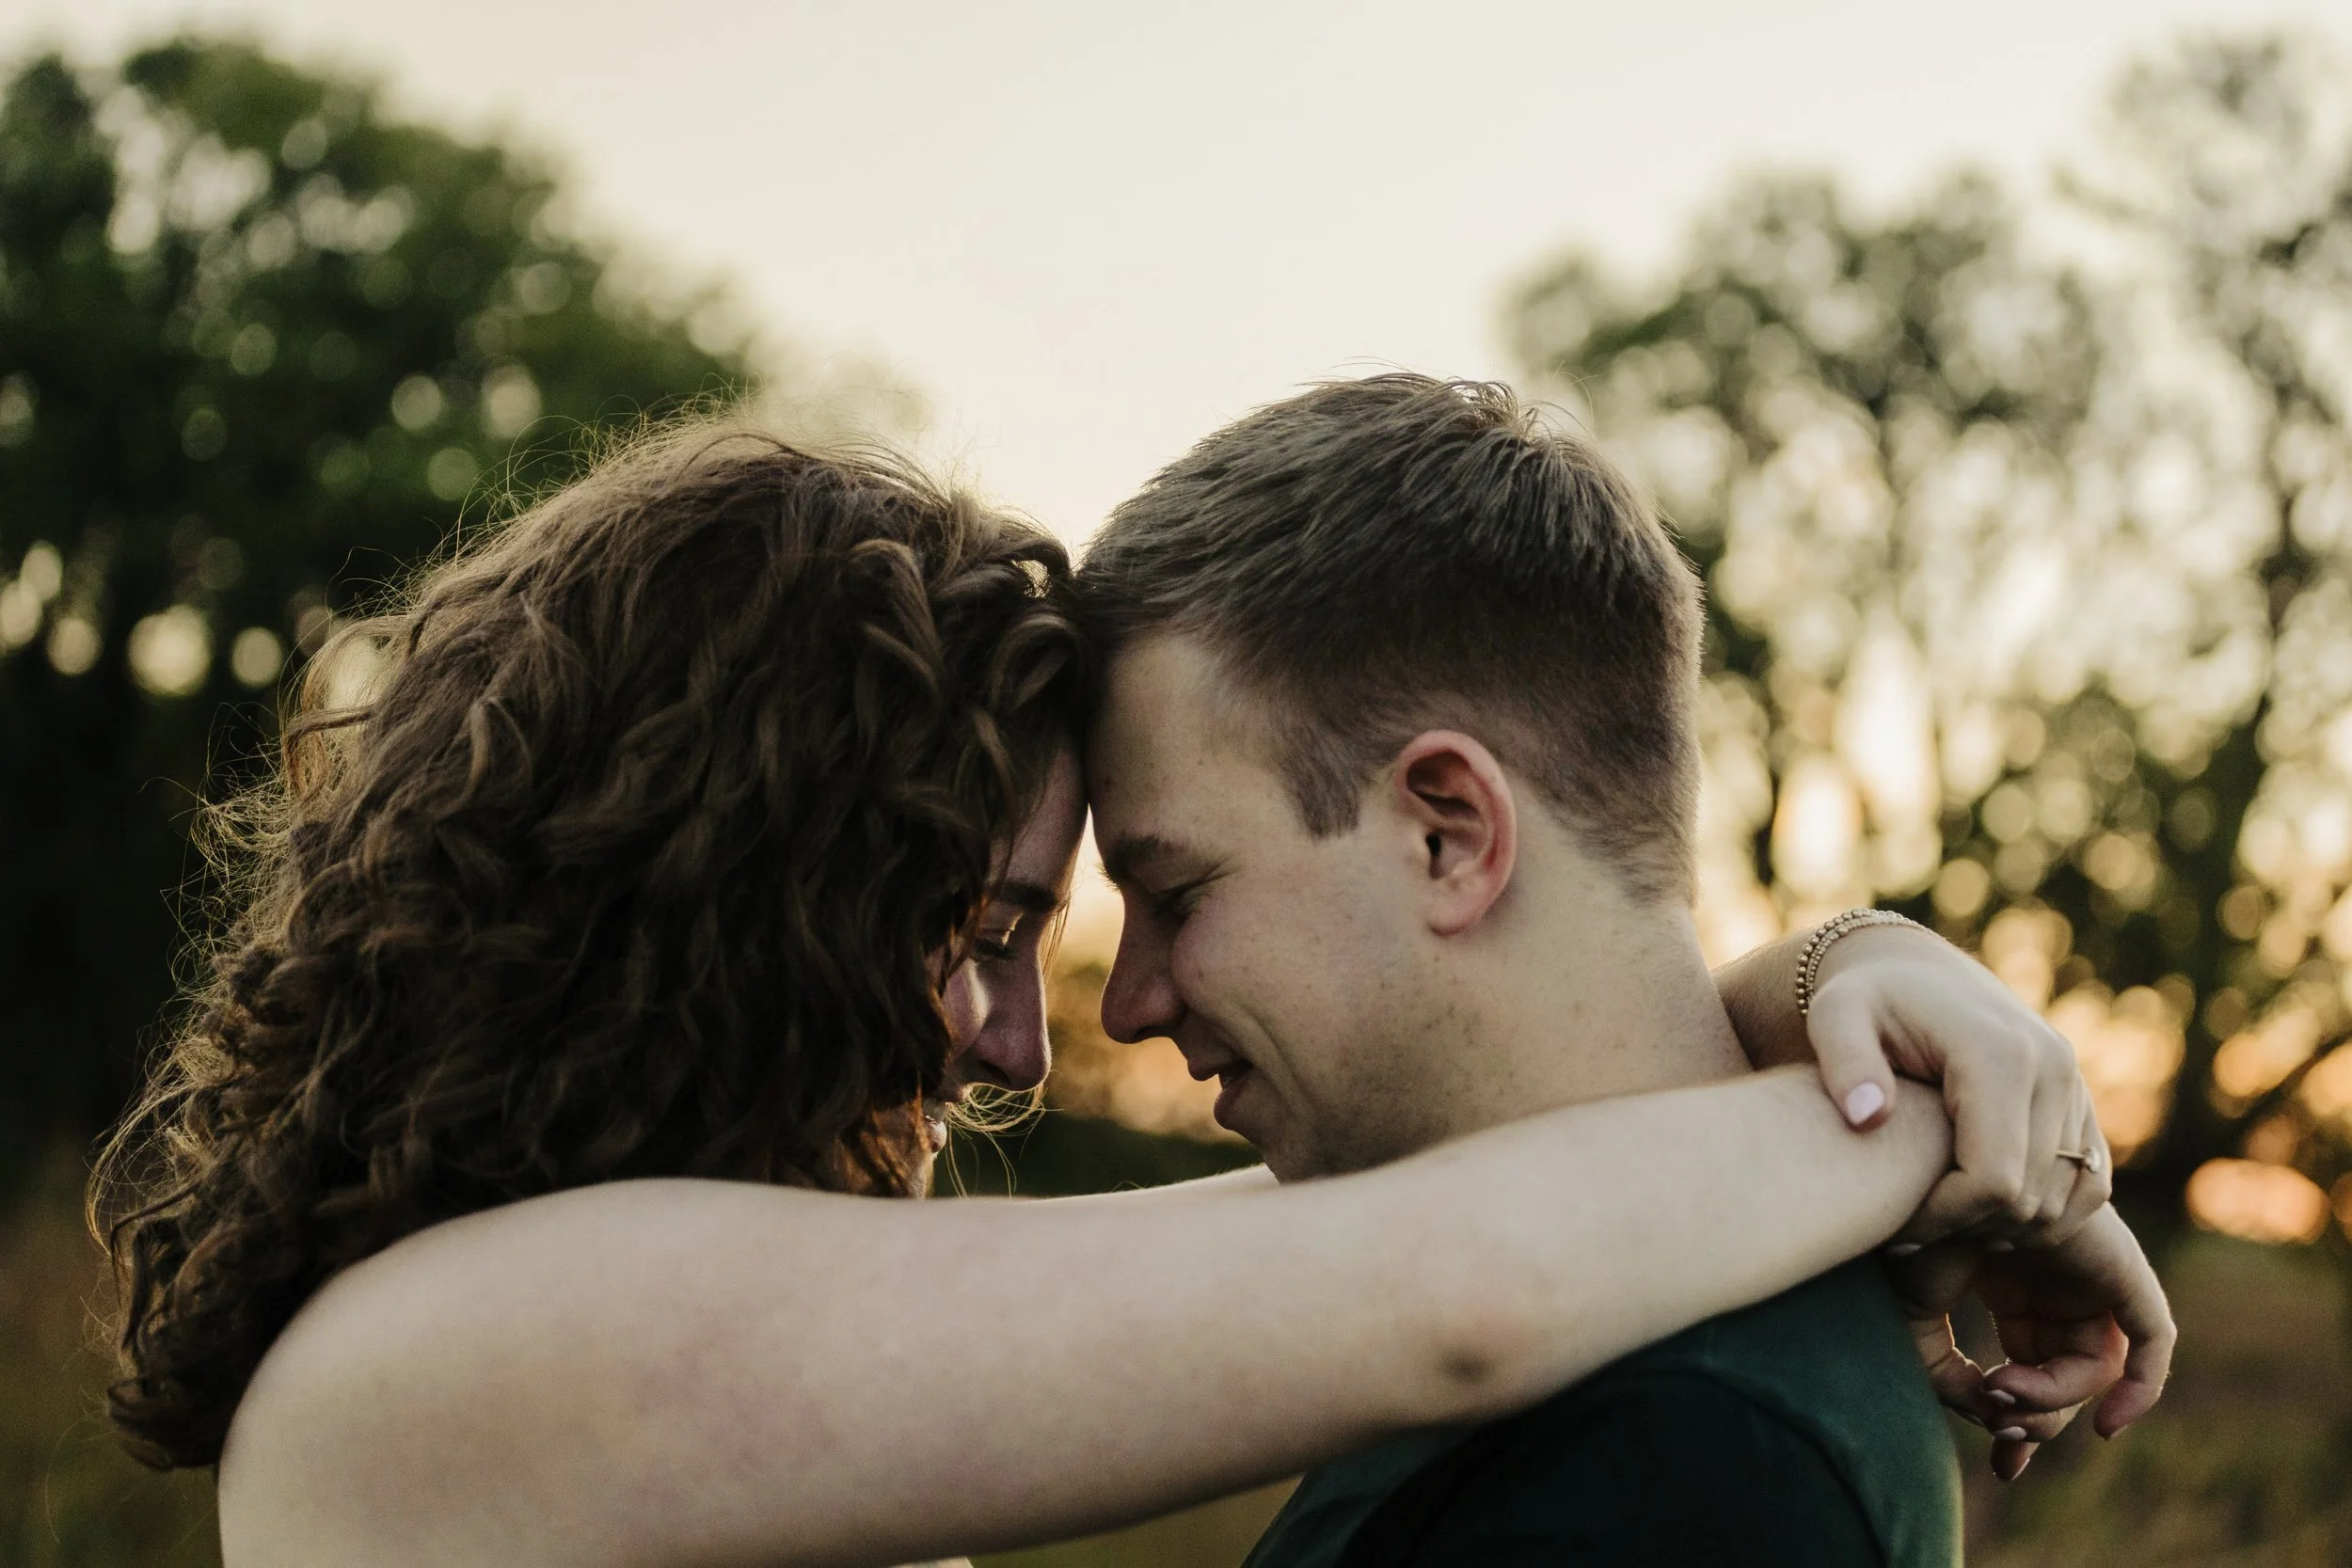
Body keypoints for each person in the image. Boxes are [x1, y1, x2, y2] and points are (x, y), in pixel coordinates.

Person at [88, 420, 2169, 1568]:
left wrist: (1845, 972)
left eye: (1118, 900)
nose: (1025, 1030)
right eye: (985, 924)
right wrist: (1926, 1101)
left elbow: (1431, 1220)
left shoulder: (593, 1307)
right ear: (740, 897)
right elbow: (1442, 1283)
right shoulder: (460, 1349)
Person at [1073, 372, 2151, 1568]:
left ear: (1450, 835)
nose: (1129, 1001)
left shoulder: (1695, 1459)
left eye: (1176, 895)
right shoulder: (1546, 1313)